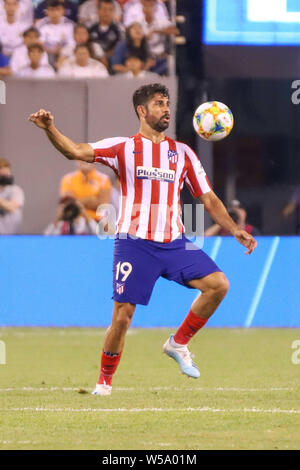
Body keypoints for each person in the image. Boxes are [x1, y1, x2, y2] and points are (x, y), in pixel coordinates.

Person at [28, 83, 257, 396]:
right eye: (159, 103)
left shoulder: (182, 153)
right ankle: (104, 383)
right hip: (134, 243)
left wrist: (235, 229)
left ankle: (178, 343)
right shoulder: (122, 148)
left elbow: (209, 199)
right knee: (122, 317)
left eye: (167, 103)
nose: (166, 109)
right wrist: (50, 128)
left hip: (174, 242)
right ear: (142, 110)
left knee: (219, 285)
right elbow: (75, 151)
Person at [36, 0, 75, 67]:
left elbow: (71, 44)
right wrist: (52, 51)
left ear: (63, 11)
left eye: (58, 9)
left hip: (64, 55)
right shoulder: (40, 24)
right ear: (47, 12)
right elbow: (39, 43)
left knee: (71, 51)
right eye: (51, 10)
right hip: (47, 52)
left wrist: (62, 53)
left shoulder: (70, 24)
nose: (55, 13)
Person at [88, 0, 123, 70]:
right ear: (98, 11)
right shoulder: (91, 29)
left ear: (113, 12)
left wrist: (104, 56)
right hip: (94, 60)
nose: (106, 13)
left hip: (112, 61)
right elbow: (88, 47)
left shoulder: (119, 29)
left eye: (110, 10)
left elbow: (120, 48)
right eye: (104, 9)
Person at [0, 157, 25, 234]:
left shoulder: (16, 190)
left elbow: (12, 207)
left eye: (7, 173)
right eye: (3, 174)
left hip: (12, 238)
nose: (6, 176)